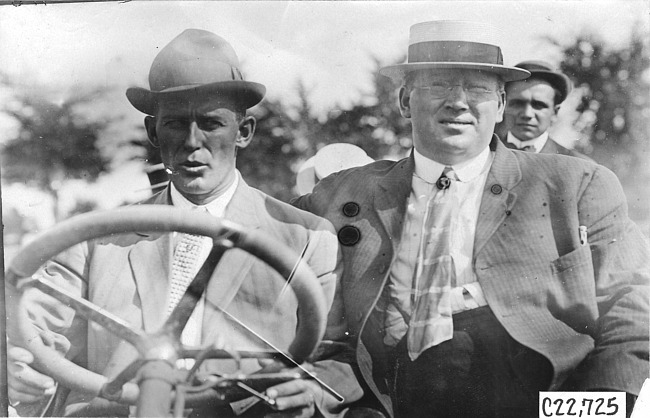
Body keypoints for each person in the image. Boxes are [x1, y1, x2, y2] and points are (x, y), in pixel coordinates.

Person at [293, 20, 650, 418]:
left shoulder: (575, 186)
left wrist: (591, 409)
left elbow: (630, 315)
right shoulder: (342, 193)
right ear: (405, 101)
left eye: (478, 88)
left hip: (532, 402)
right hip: (386, 402)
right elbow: (264, 243)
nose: (458, 102)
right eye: (439, 85)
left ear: (499, 105)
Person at [6, 29, 363, 417]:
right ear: (153, 132)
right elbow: (32, 330)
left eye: (210, 124)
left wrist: (312, 392)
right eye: (175, 124)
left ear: (243, 132)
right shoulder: (97, 237)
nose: (192, 142)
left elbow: (335, 360)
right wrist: (17, 364)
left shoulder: (305, 238)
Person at [497, 60, 592, 160]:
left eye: (538, 105)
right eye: (517, 104)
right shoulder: (486, 155)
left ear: (555, 112)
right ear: (503, 106)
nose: (527, 114)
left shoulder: (577, 165)